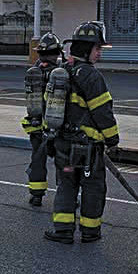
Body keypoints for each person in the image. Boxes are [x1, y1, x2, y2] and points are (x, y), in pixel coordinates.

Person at [44, 21, 120, 244]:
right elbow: (102, 112)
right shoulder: (91, 76)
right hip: (87, 149)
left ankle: (63, 231)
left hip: (63, 145)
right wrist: (113, 139)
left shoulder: (61, 72)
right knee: (93, 188)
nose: (99, 54)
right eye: (97, 49)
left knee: (66, 184)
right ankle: (90, 231)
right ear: (86, 49)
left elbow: (48, 105)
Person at [23, 32, 63, 206]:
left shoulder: (34, 72)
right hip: (57, 126)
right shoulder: (61, 73)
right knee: (63, 162)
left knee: (38, 160)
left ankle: (36, 194)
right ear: (58, 53)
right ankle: (65, 195)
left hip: (36, 126)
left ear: (39, 53)